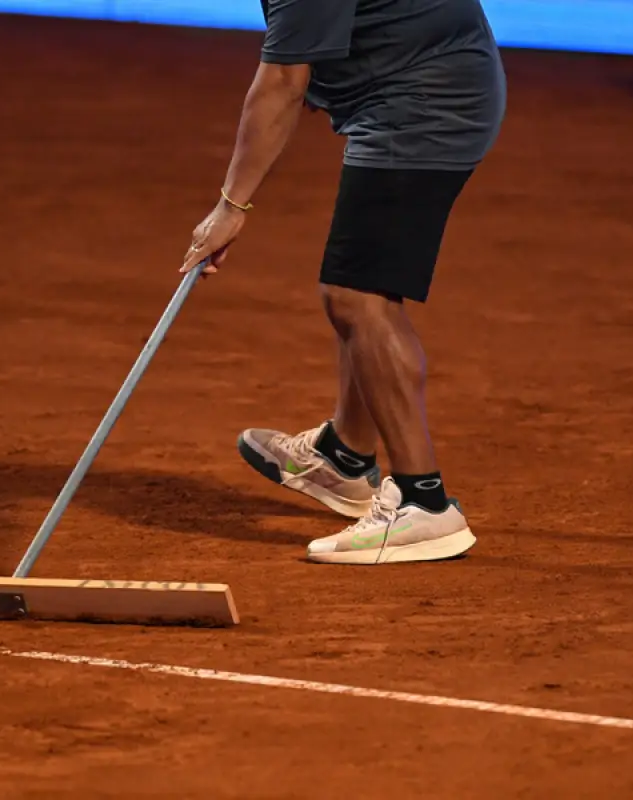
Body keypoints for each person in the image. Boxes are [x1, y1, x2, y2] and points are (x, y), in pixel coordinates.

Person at [180, 0, 506, 565]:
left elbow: (282, 79)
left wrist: (231, 207)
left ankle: (423, 503)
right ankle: (345, 458)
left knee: (356, 297)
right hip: (432, 81)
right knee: (362, 281)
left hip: (424, 104)